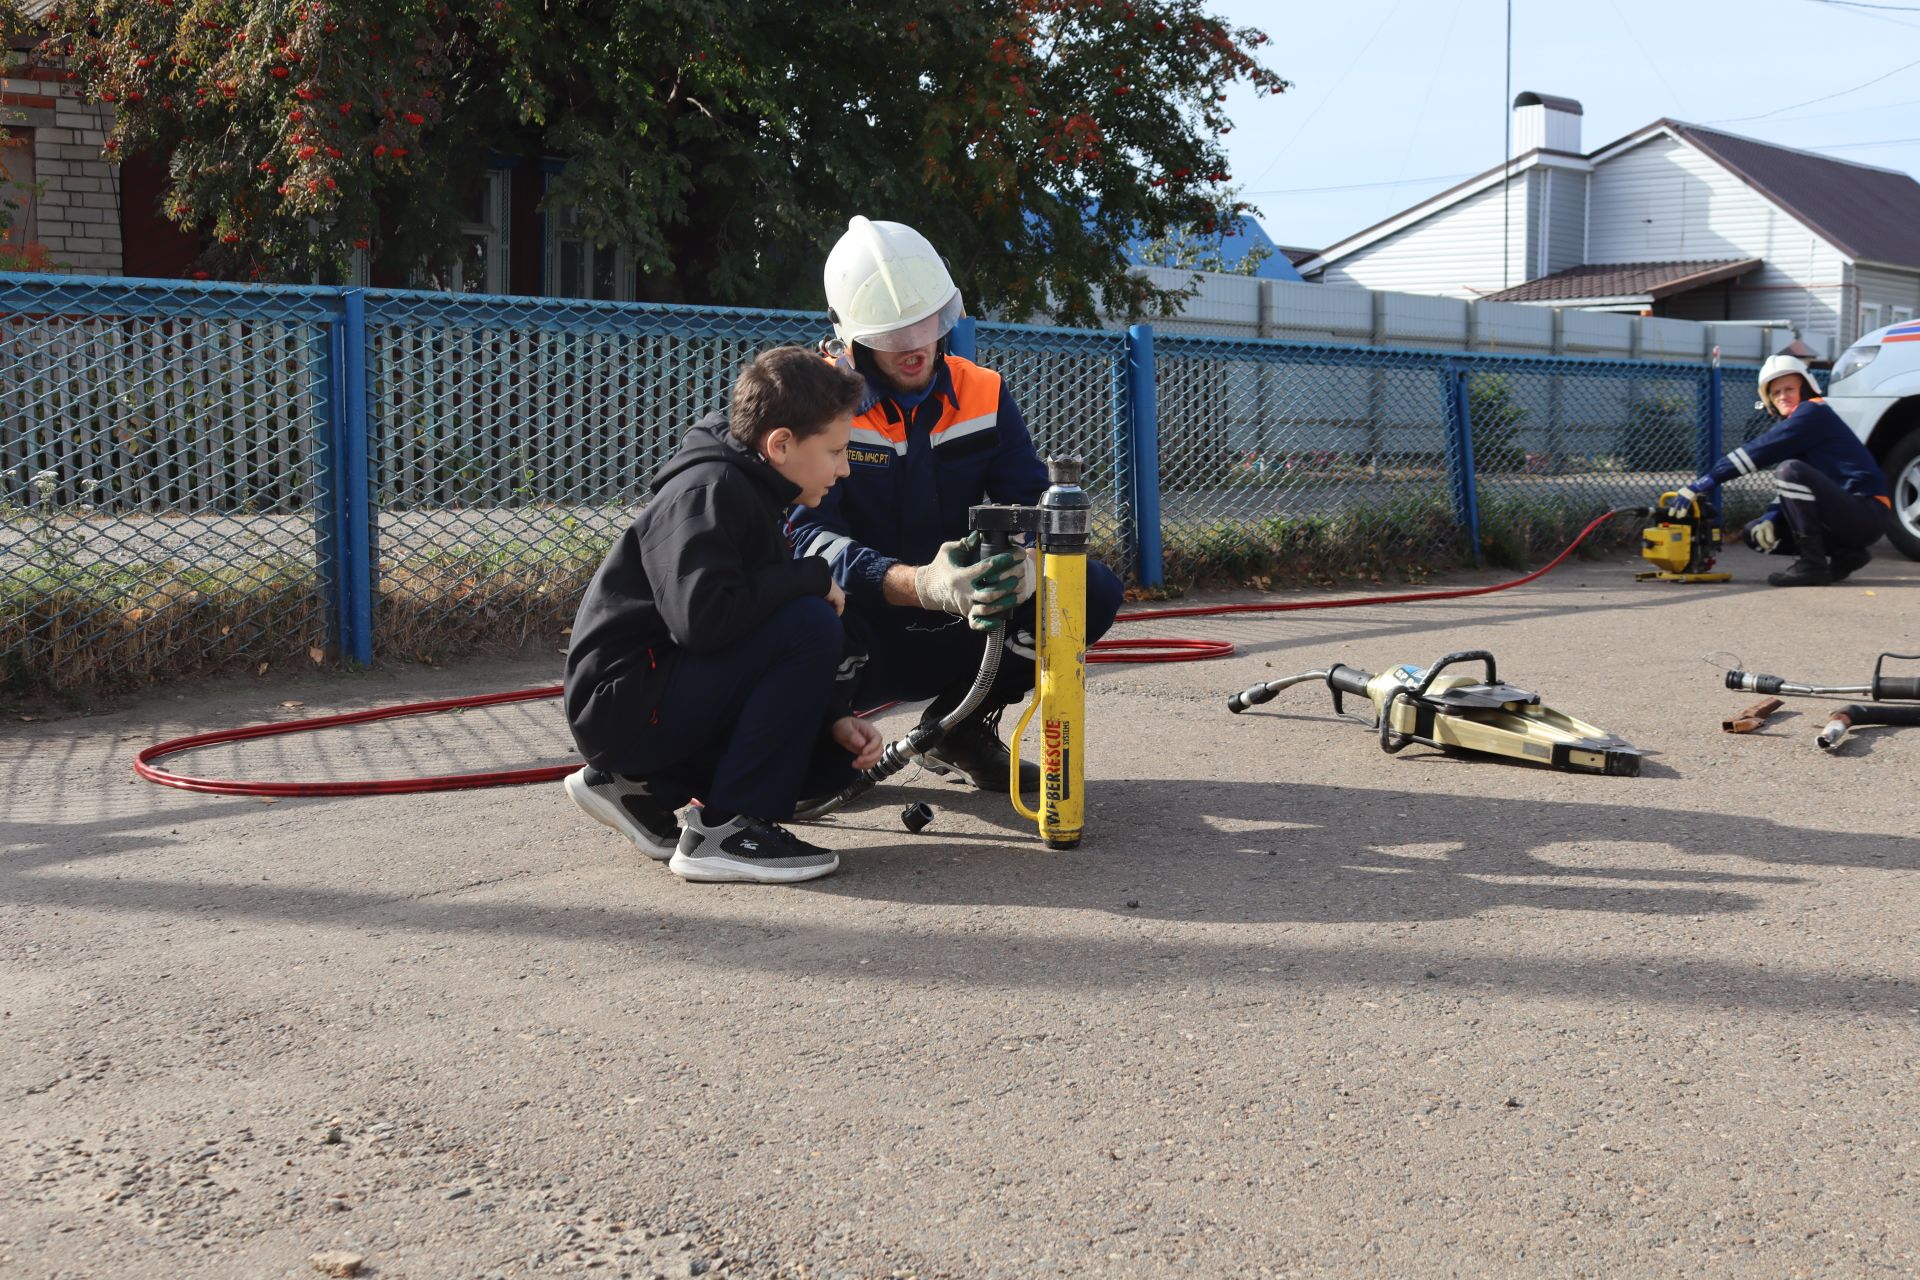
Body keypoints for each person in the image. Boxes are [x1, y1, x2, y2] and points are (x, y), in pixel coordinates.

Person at [789, 216, 1126, 793]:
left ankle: (959, 730)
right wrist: (919, 583)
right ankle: (819, 736)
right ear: (851, 337)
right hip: (858, 627)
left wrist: (1020, 564)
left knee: (1088, 588)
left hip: (963, 614)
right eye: (895, 334)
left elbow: (1030, 504)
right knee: (801, 615)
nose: (917, 346)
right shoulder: (813, 404)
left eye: (928, 323)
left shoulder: (983, 391)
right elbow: (806, 541)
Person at [561, 346, 884, 884]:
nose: (844, 468)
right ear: (780, 444)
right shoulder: (709, 491)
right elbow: (703, 620)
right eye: (834, 451)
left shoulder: (754, 485)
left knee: (827, 760)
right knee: (810, 621)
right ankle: (725, 832)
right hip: (622, 700)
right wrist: (807, 575)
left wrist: (835, 716)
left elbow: (748, 622)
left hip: (652, 694)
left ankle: (639, 789)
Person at [1667, 353, 1891, 587]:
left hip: (1868, 510)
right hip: (1851, 515)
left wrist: (1704, 482)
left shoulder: (1813, 412)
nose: (1782, 396)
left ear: (1805, 388)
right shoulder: (1802, 424)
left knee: (1789, 470)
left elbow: (1759, 451)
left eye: (1789, 389)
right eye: (1776, 393)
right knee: (1755, 533)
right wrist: (1770, 518)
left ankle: (1812, 566)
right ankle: (1846, 555)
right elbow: (1798, 491)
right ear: (1769, 400)